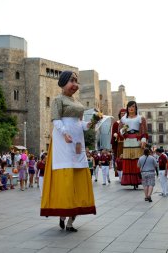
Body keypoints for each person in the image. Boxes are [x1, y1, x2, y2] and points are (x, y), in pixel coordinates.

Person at [40, 71, 96, 232]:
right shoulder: (58, 99)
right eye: (72, 80)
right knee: (66, 178)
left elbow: (81, 124)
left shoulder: (76, 102)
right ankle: (63, 215)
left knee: (78, 178)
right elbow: (56, 120)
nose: (75, 84)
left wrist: (91, 123)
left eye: (76, 81)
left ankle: (71, 221)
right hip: (64, 142)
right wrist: (64, 134)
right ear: (63, 82)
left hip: (77, 142)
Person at [119, 101, 148, 189]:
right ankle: (130, 180)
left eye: (133, 107)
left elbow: (144, 131)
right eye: (129, 107)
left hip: (136, 141)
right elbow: (119, 131)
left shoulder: (140, 118)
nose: (131, 108)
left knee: (137, 160)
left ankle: (137, 180)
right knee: (128, 160)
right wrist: (123, 130)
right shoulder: (123, 119)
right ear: (127, 108)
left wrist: (143, 140)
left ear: (136, 108)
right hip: (127, 141)